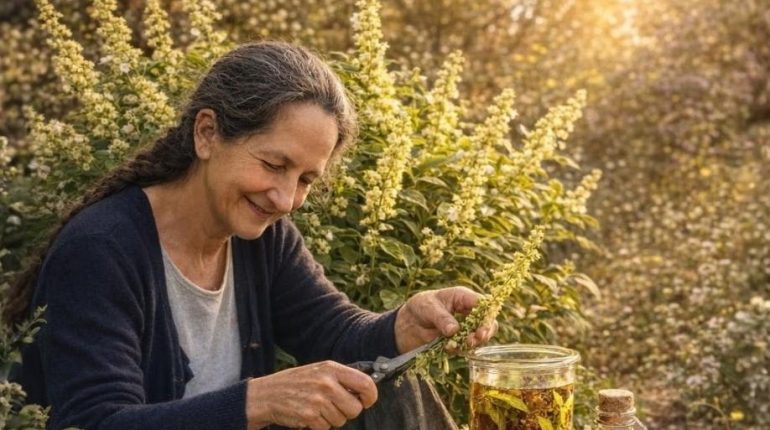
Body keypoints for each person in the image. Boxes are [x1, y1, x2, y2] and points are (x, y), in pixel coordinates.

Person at [5, 41, 495, 430]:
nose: (285, 199)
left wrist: (405, 325)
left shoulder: (263, 238)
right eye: (274, 165)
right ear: (207, 134)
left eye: (304, 180)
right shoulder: (101, 250)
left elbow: (338, 334)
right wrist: (258, 401)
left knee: (391, 390)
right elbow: (94, 423)